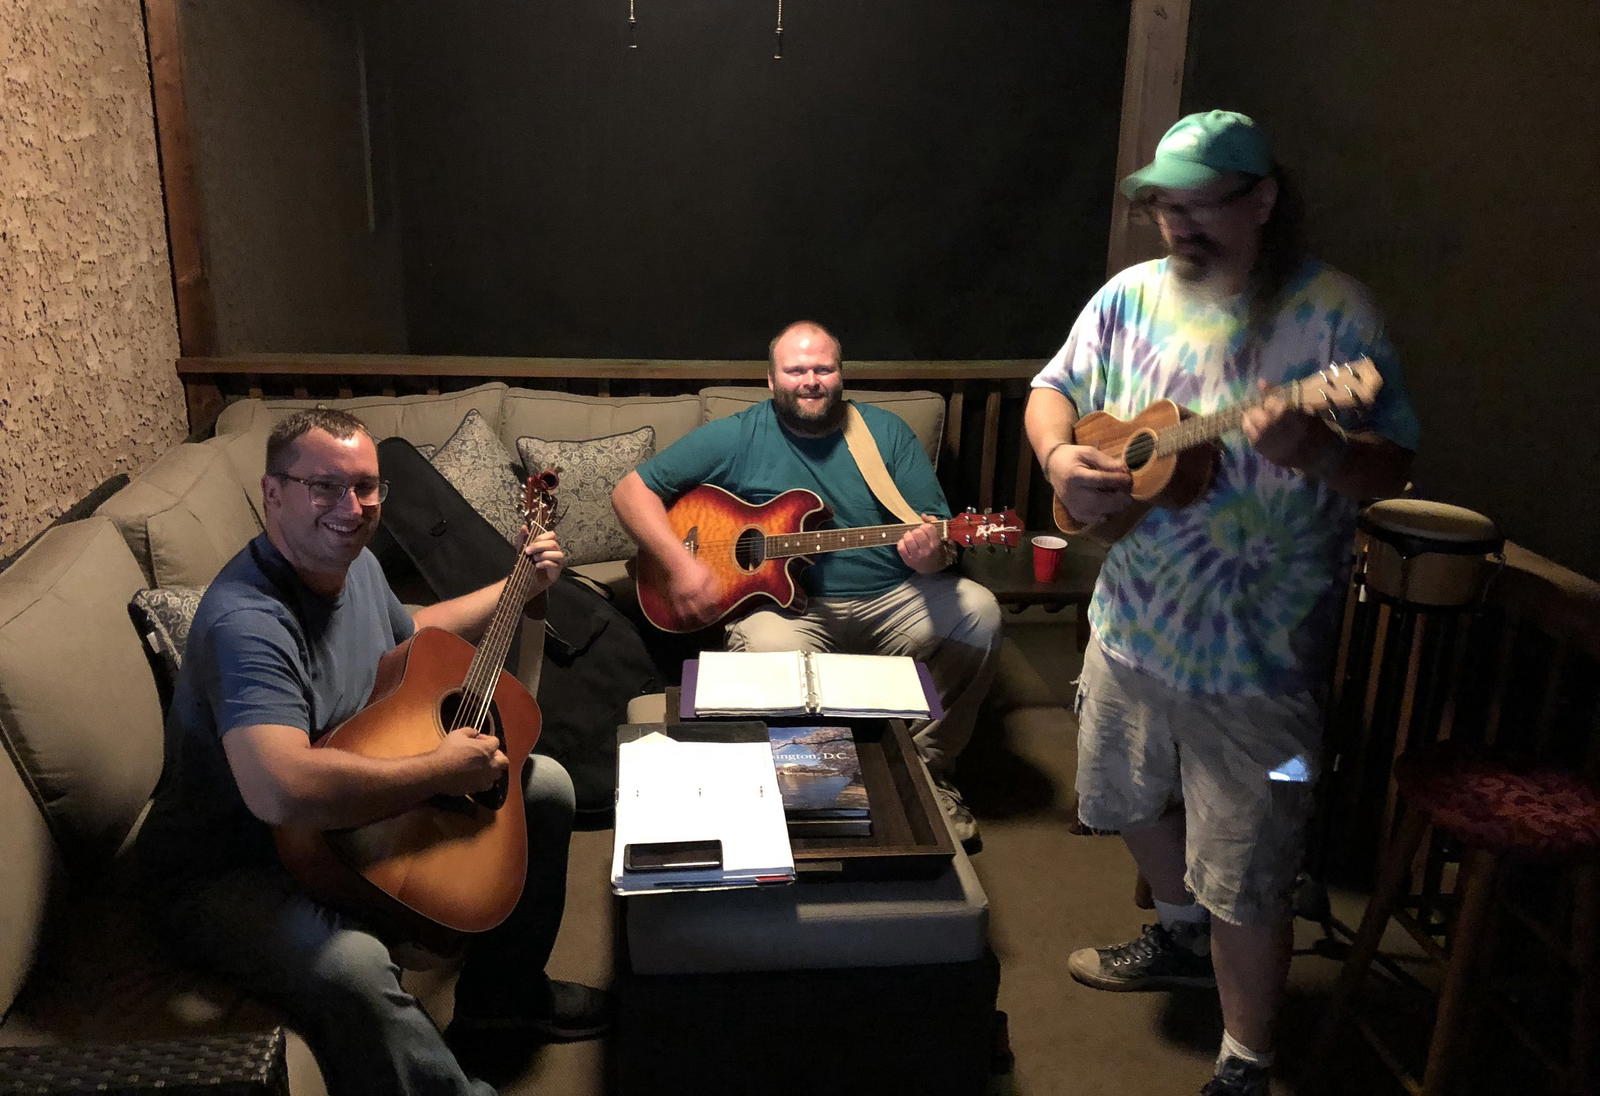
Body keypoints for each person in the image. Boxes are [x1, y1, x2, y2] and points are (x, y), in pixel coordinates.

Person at [1025, 111, 1419, 1096]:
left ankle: (1247, 1057)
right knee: (1118, 797)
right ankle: (1177, 933)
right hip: (1128, 626)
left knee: (1249, 868)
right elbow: (1051, 389)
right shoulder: (1128, 295)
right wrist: (1060, 457)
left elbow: (1392, 465)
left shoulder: (1336, 317)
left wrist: (1320, 448)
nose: (1179, 223)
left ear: (1263, 199)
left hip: (1261, 661)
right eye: (1166, 204)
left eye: (1202, 204)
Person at [136, 408, 608, 1096]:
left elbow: (407, 633)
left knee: (547, 787)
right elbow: (279, 789)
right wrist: (438, 771)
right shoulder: (249, 622)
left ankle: (504, 1002)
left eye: (365, 487)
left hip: (342, 816)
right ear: (273, 493)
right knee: (351, 964)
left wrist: (518, 586)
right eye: (324, 487)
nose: (352, 507)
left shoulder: (350, 564)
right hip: (233, 862)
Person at [611, 320, 1002, 844]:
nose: (811, 381)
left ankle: (928, 773)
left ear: (841, 375)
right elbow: (631, 492)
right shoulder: (738, 435)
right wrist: (680, 565)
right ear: (772, 380)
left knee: (978, 612)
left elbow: (940, 542)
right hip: (788, 612)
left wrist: (931, 554)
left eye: (823, 368)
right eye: (796, 370)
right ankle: (816, 794)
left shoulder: (885, 434)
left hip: (893, 599)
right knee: (766, 649)